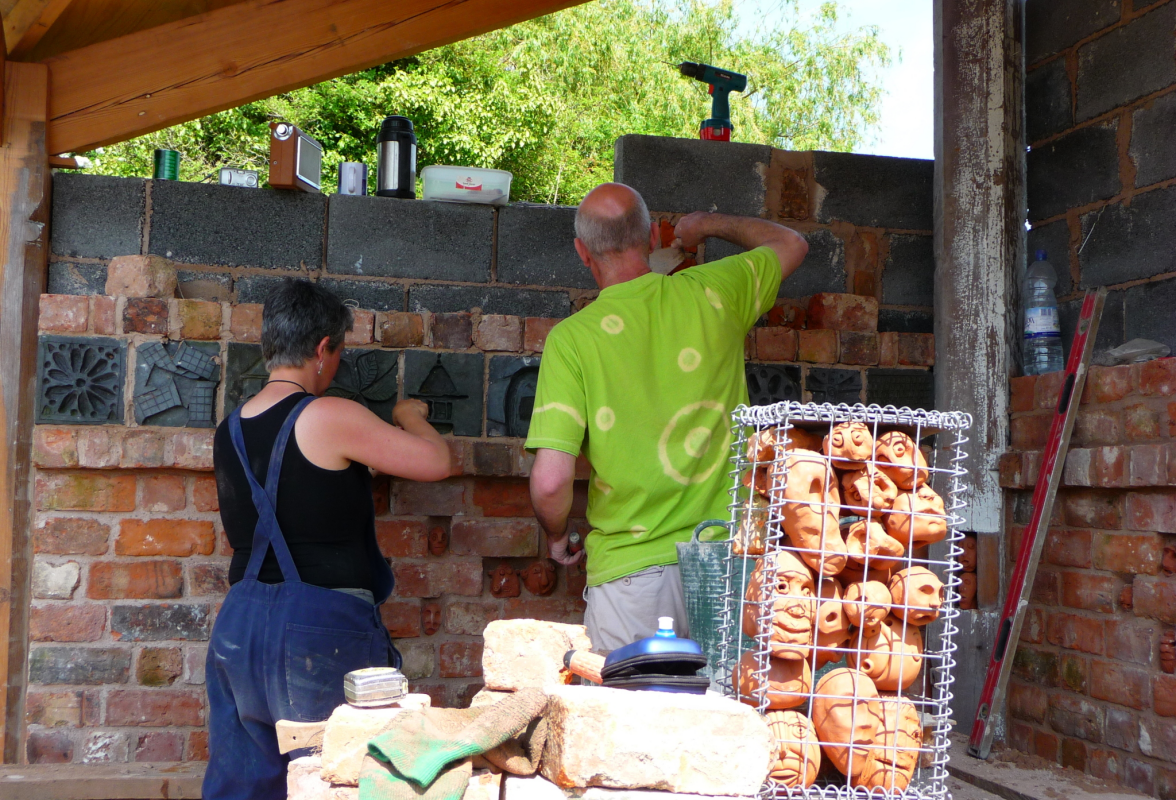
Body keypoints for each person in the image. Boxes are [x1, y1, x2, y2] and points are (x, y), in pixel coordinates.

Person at [525, 183, 809, 651]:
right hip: (728, 566)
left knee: (633, 722)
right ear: (653, 238)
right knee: (728, 721)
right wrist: (707, 225)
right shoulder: (716, 292)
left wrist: (557, 536)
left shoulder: (572, 341)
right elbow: (791, 244)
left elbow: (551, 482)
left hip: (630, 580)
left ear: (582, 252)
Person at [203, 279, 450, 800]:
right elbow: (436, 462)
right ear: (322, 350)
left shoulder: (230, 429)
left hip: (239, 627)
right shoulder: (330, 415)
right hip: (318, 630)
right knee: (333, 779)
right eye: (338, 352)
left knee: (243, 786)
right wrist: (410, 419)